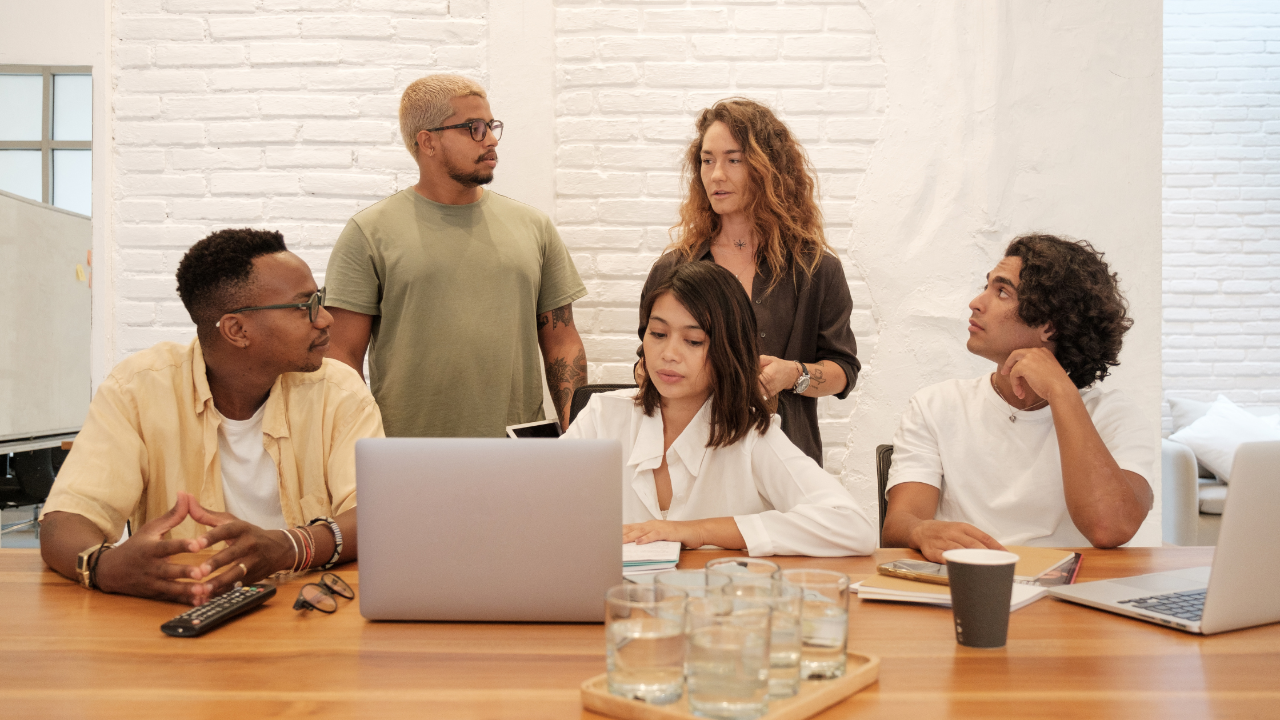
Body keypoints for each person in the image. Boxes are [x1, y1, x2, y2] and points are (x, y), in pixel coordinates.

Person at [39, 229, 384, 605]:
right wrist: (103, 567)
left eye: (320, 301)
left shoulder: (339, 391)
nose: (326, 318)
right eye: (305, 306)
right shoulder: (138, 389)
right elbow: (64, 522)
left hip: (307, 609)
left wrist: (290, 547)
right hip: (183, 609)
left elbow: (378, 516)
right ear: (237, 330)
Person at [324, 74, 588, 438]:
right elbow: (340, 358)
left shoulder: (534, 227)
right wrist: (359, 446)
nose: (491, 139)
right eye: (474, 128)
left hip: (519, 447)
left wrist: (576, 433)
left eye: (491, 126)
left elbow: (562, 341)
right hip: (408, 451)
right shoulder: (369, 233)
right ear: (428, 141)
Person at [566, 261, 875, 558]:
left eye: (694, 340)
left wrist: (698, 532)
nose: (669, 354)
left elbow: (853, 527)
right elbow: (539, 509)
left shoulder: (751, 436)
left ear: (729, 349)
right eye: (658, 334)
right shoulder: (602, 417)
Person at [882, 234, 1156, 562]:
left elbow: (1110, 528)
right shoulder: (935, 405)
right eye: (986, 287)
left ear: (1049, 328)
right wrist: (919, 531)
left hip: (1068, 594)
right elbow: (898, 523)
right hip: (967, 586)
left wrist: (1061, 393)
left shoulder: (1115, 416)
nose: (976, 302)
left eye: (1002, 292)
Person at [637, 98, 860, 467]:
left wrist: (794, 375)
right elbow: (643, 364)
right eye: (707, 160)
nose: (716, 175)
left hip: (784, 461)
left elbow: (844, 371)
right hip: (689, 461)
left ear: (767, 167)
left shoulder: (817, 271)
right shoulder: (673, 269)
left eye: (733, 159)